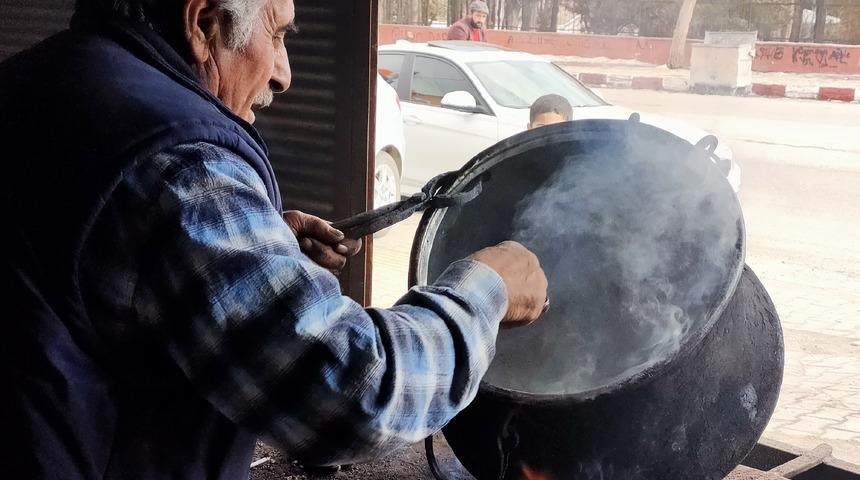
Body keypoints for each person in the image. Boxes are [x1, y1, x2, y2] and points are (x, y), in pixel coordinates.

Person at [0, 0, 548, 478]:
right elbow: (353, 395)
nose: (284, 74)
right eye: (279, 32)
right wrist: (484, 290)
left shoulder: (42, 80)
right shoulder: (181, 168)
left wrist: (257, 248)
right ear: (204, 22)